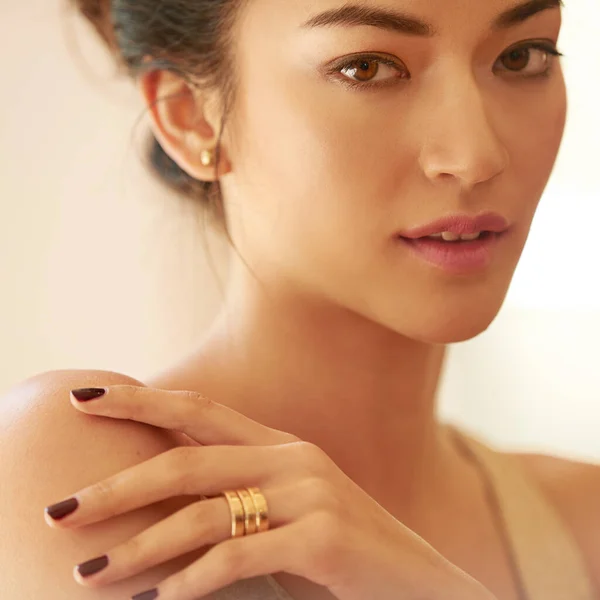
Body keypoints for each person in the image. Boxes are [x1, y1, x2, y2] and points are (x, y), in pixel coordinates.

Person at [1, 0, 598, 598]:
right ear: (190, 118)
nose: (475, 157)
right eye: (367, 67)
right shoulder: (89, 467)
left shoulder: (587, 524)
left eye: (522, 56)